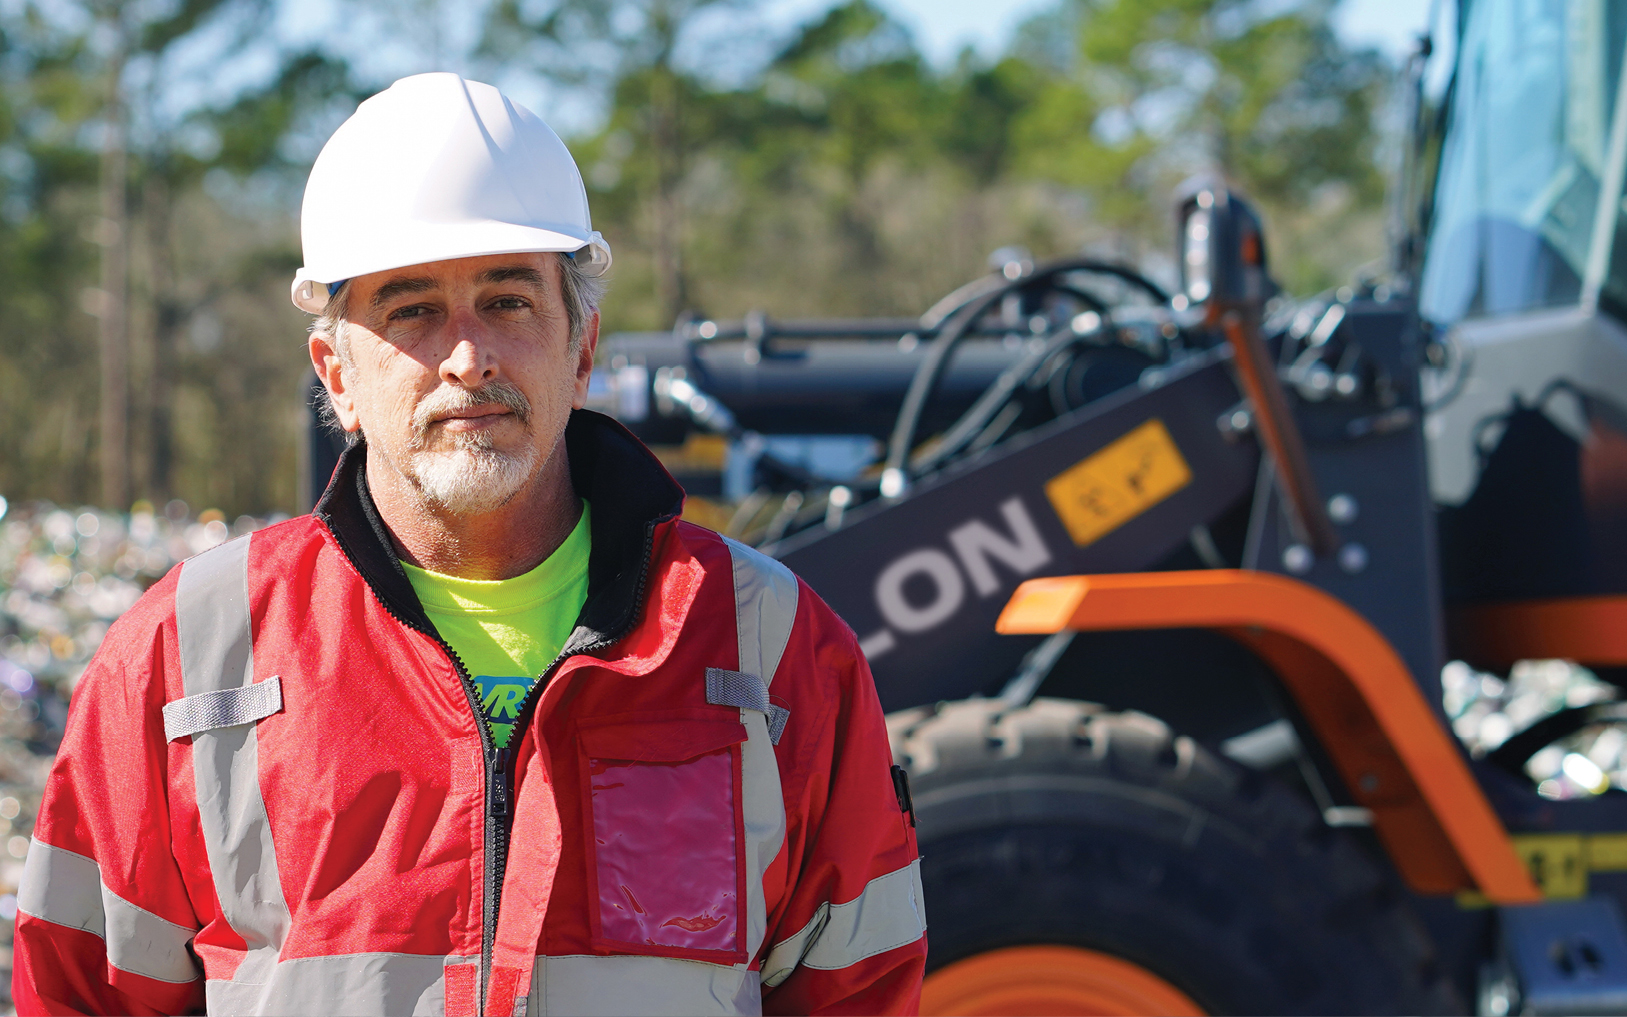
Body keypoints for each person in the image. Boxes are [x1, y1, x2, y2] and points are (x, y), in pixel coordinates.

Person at [12, 72, 925, 1016]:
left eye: (507, 300)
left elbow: (860, 991)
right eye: (410, 309)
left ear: (581, 350)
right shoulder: (184, 660)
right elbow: (81, 995)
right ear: (338, 374)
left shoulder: (772, 649)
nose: (467, 356)